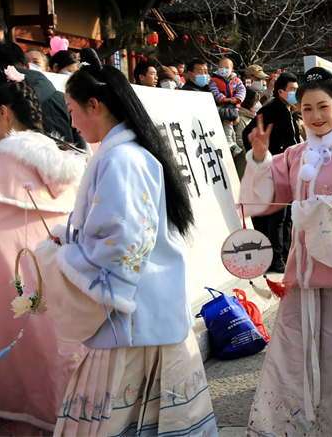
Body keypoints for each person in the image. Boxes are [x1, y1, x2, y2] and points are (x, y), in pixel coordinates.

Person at [34, 48, 216, 436]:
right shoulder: (127, 154)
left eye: (71, 109)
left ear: (94, 105)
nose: (72, 120)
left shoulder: (122, 160)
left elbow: (124, 241)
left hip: (131, 317)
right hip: (144, 309)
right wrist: (70, 239)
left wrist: (62, 257)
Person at [0, 74, 85, 434]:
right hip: (63, 284)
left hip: (16, 289)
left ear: (5, 113)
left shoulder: (1, 167)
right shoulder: (65, 162)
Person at [242, 67, 332, 435]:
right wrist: (259, 159)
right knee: (294, 355)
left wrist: (322, 207)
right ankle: (298, 422)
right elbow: (269, 195)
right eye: (307, 109)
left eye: (323, 107)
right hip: (302, 275)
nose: (315, 116)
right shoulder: (296, 154)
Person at [0, 41, 84, 249]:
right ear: (25, 66)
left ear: (2, 113)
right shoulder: (60, 101)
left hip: (0, 225)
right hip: (62, 220)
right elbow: (80, 149)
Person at [242, 72, 302, 273]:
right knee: (277, 216)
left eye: (296, 89)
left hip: (289, 171)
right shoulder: (271, 110)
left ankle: (285, 255)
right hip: (274, 170)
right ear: (281, 91)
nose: (295, 92)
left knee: (287, 217)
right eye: (292, 89)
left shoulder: (289, 111)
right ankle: (275, 259)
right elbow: (246, 133)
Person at [233, 87, 259, 179]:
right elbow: (240, 142)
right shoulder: (241, 119)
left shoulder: (252, 117)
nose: (258, 104)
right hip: (244, 162)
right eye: (256, 101)